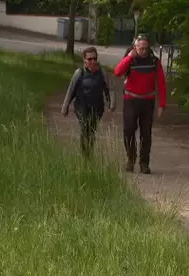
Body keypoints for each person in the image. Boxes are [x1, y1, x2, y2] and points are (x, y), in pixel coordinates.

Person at [113, 34, 167, 174]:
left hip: (147, 101)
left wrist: (162, 104)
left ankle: (144, 162)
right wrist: (130, 57)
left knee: (146, 133)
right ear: (135, 48)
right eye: (140, 48)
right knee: (129, 130)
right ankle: (131, 158)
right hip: (131, 100)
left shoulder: (154, 62)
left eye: (145, 48)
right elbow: (117, 72)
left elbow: (161, 83)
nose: (143, 51)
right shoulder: (131, 60)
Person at [61, 46, 116, 157]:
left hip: (97, 107)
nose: (93, 61)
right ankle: (85, 154)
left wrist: (112, 103)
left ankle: (89, 151)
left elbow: (110, 89)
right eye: (89, 59)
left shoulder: (102, 73)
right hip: (81, 106)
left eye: (95, 59)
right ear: (84, 60)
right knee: (85, 126)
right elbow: (71, 90)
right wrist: (65, 107)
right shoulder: (79, 73)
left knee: (92, 129)